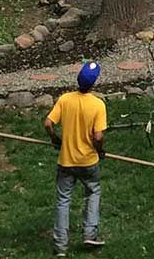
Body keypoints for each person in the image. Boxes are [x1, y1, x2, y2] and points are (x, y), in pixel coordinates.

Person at [45, 61, 107, 254]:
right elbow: (98, 136)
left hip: (66, 161)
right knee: (93, 192)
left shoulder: (65, 99)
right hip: (88, 162)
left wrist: (56, 139)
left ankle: (61, 247)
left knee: (63, 200)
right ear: (94, 83)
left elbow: (48, 123)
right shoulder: (98, 105)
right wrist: (99, 150)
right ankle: (90, 234)